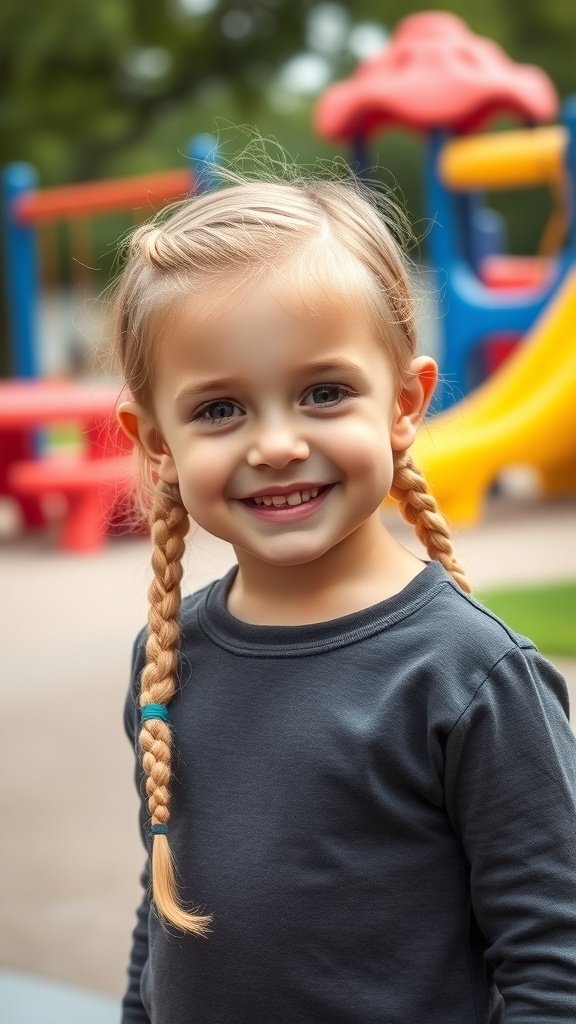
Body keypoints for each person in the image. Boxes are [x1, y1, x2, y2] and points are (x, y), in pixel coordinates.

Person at [114, 166, 576, 1024]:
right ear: (156, 442)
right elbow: (164, 909)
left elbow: (556, 965)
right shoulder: (167, 660)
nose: (279, 444)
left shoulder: (471, 676)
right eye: (219, 409)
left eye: (323, 393)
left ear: (405, 404)